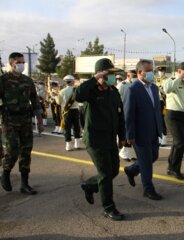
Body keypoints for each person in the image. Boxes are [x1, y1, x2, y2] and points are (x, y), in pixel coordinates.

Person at [75, 58, 126, 221]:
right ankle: (108, 207)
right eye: (109, 73)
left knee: (113, 171)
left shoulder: (113, 91)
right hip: (95, 139)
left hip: (110, 138)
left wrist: (122, 136)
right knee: (105, 174)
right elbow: (78, 95)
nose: (113, 77)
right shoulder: (91, 91)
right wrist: (94, 79)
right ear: (101, 74)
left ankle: (90, 186)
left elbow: (120, 116)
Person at [0, 52, 44, 194]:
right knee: (12, 149)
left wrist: (40, 120)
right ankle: (5, 174)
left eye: (23, 62)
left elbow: (35, 100)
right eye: (19, 62)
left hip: (25, 119)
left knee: (26, 151)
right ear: (11, 63)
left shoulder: (27, 80)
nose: (22, 65)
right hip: (9, 120)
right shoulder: (3, 80)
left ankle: (25, 184)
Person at [123, 59, 163, 201]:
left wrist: (160, 128)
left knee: (154, 156)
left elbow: (156, 109)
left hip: (153, 130)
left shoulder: (154, 88)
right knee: (146, 161)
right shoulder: (132, 89)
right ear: (140, 72)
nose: (152, 73)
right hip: (140, 133)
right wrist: (130, 135)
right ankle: (148, 188)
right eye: (150, 71)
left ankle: (132, 169)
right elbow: (128, 114)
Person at [163, 62, 184, 180]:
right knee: (181, 142)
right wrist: (179, 77)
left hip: (183, 116)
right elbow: (167, 89)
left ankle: (171, 167)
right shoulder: (170, 80)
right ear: (181, 71)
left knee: (177, 143)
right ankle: (175, 169)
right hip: (173, 115)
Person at [117, 69, 137, 162]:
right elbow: (117, 97)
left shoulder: (136, 84)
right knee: (126, 131)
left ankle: (127, 152)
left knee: (131, 131)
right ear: (128, 76)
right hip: (124, 110)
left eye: (135, 76)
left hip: (133, 110)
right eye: (133, 76)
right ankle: (124, 152)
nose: (134, 78)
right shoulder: (122, 85)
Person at [58, 75, 81, 151]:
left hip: (66, 111)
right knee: (76, 126)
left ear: (65, 82)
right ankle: (77, 143)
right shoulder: (76, 90)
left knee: (67, 127)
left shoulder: (62, 91)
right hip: (75, 110)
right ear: (73, 81)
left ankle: (68, 145)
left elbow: (59, 102)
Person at [156, 65, 168, 147]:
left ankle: (164, 138)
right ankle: (159, 137)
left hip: (165, 102)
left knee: (163, 121)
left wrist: (161, 90)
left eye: (162, 71)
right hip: (158, 101)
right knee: (158, 120)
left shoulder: (167, 80)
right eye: (159, 71)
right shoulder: (157, 79)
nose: (160, 72)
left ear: (164, 71)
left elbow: (168, 92)